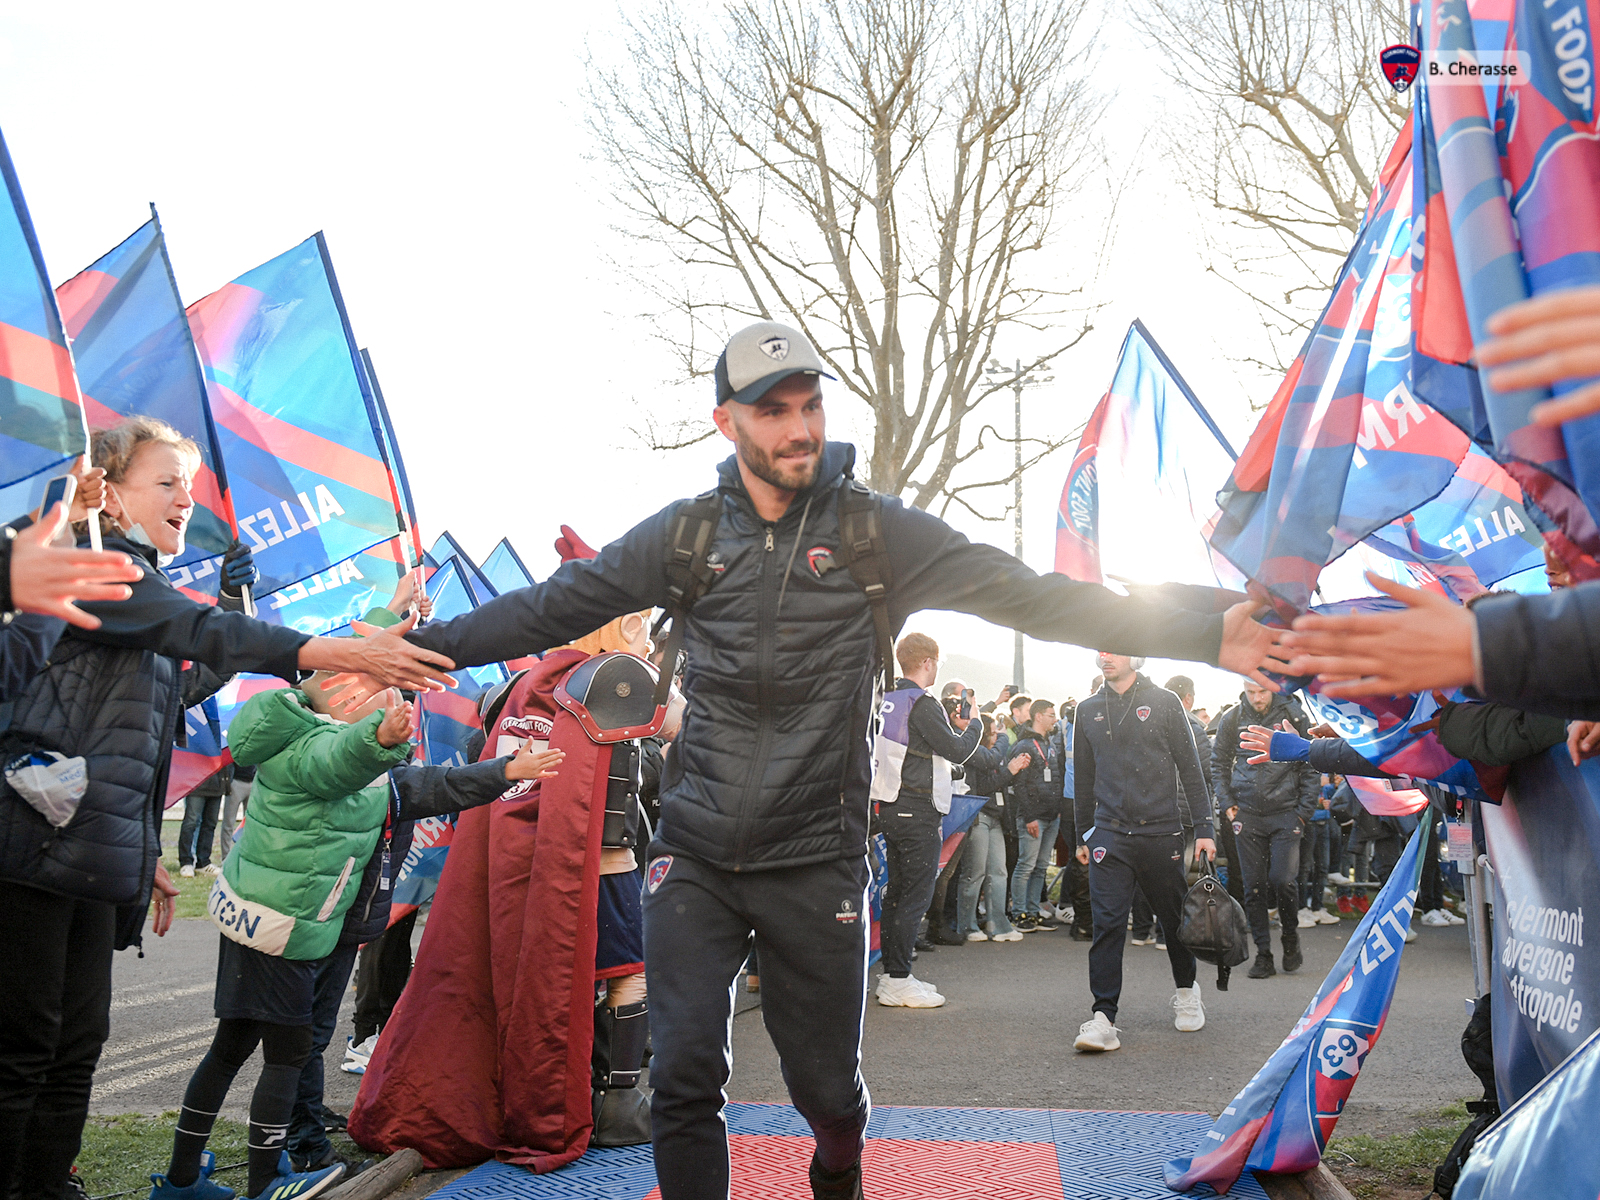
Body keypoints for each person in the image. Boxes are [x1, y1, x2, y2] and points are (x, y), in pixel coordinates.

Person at [392, 322, 1285, 1200]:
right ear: (726, 423)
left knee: (828, 1098)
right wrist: (407, 650)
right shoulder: (687, 538)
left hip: (814, 858)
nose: (798, 427)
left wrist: (1204, 632)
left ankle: (838, 1172)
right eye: (772, 409)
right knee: (686, 1078)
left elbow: (1035, 599)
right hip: (696, 855)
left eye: (809, 404)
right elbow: (546, 610)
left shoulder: (876, 537)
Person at [0, 417, 453, 1200]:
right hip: (34, 852)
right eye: (167, 482)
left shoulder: (140, 579)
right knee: (24, 1051)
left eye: (190, 483)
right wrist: (342, 649)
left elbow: (178, 686)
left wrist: (146, 853)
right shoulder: (89, 558)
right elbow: (199, 631)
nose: (187, 498)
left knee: (74, 1048)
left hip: (90, 857)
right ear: (108, 488)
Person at [1071, 653, 1214, 1052]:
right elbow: (1083, 777)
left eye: (1114, 648)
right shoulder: (1087, 709)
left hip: (1162, 832)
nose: (1104, 656)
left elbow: (1191, 770)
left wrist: (1204, 827)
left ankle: (1186, 991)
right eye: (1100, 648)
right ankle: (1103, 1018)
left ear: (1136, 654)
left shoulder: (1166, 701)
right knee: (1108, 925)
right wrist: (1084, 834)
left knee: (1172, 921)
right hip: (1109, 836)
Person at [872, 634, 982, 1008]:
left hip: (890, 804)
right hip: (916, 807)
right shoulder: (922, 702)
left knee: (898, 894)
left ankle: (892, 975)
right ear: (929, 662)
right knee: (913, 896)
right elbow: (957, 750)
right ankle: (898, 978)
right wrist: (976, 725)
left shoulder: (888, 698)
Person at [1212, 680, 1317, 978]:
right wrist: (1228, 802)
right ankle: (1263, 954)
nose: (1257, 698)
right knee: (1253, 886)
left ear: (1271, 688)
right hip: (1247, 812)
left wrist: (1302, 813)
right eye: (1250, 691)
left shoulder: (1294, 715)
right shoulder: (1233, 717)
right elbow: (1218, 762)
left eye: (1262, 691)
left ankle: (1290, 937)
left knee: (1283, 880)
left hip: (1286, 813)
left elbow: (1309, 761)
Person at [955, 714, 1029, 943]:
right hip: (979, 817)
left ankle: (998, 925)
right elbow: (982, 787)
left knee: (998, 872)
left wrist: (1009, 770)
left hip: (996, 818)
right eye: (994, 733)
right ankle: (967, 925)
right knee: (974, 873)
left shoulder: (995, 757)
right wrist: (1010, 771)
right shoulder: (974, 756)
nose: (997, 737)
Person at [1007, 699, 1062, 933]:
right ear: (1038, 716)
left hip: (1051, 814)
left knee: (1040, 867)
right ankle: (1018, 913)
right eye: (1051, 715)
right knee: (1026, 865)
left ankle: (1032, 911)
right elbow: (1019, 784)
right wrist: (1029, 816)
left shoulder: (1049, 742)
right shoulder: (1025, 745)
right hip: (1034, 816)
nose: (1055, 719)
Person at [177, 765, 231, 879]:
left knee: (210, 824)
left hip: (218, 783)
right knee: (191, 822)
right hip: (196, 782)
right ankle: (186, 862)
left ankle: (203, 862)